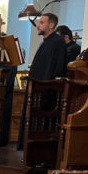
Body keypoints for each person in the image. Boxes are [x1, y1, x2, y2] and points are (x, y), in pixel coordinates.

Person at [17, 13, 67, 150]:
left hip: (46, 93)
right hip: (36, 89)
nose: (38, 26)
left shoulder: (57, 42)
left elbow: (58, 69)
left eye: (42, 23)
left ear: (51, 25)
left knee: (41, 126)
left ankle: (37, 152)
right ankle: (28, 150)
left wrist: (45, 88)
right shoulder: (46, 42)